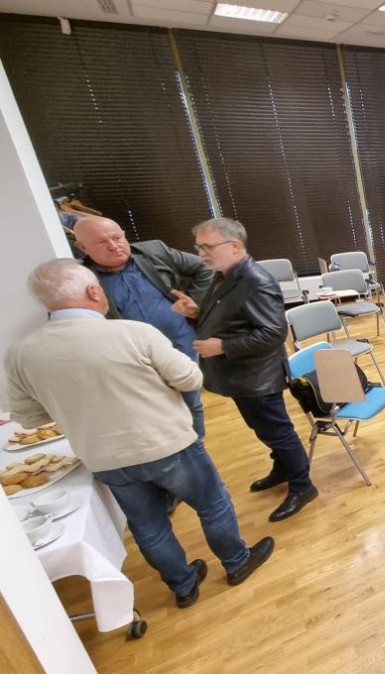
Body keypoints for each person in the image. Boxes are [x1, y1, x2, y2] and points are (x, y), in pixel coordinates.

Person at [6, 260, 273, 607]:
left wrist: (69, 405)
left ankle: (183, 585)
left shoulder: (20, 354)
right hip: (167, 443)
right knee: (212, 504)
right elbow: (191, 379)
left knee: (148, 526)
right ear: (93, 292)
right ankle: (237, 562)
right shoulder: (134, 333)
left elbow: (29, 417)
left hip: (104, 458)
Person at [170, 218, 318, 522]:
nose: (201, 254)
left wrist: (223, 346)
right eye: (198, 247)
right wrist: (196, 313)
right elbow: (232, 319)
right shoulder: (225, 275)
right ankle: (282, 468)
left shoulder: (255, 281)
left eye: (207, 247)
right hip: (240, 375)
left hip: (257, 376)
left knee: (278, 432)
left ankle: (303, 486)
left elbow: (274, 332)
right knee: (262, 429)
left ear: (235, 246)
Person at [74, 216, 213, 439]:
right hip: (133, 357)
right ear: (82, 247)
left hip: (180, 343)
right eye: (101, 242)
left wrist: (194, 300)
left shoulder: (154, 251)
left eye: (117, 238)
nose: (113, 246)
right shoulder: (79, 276)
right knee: (149, 411)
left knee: (190, 402)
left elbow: (205, 268)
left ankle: (196, 447)